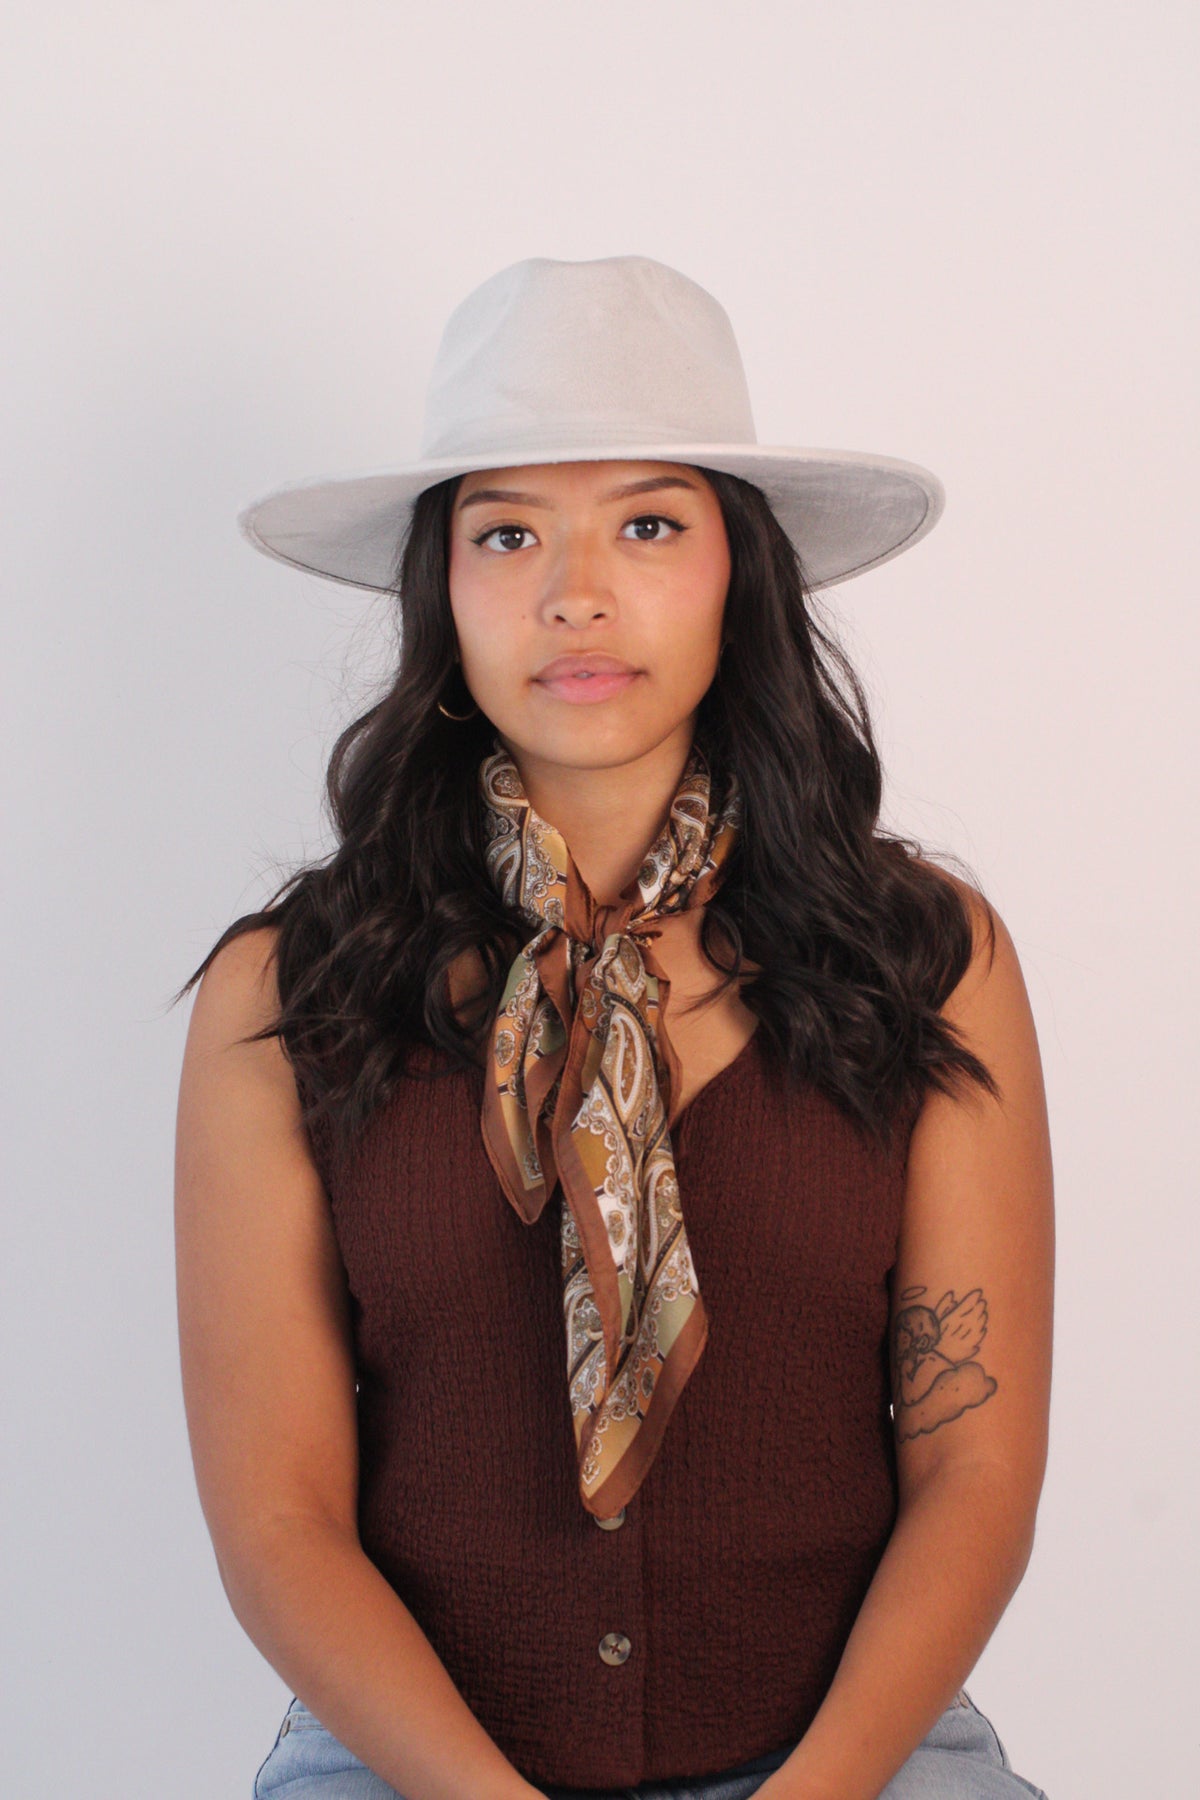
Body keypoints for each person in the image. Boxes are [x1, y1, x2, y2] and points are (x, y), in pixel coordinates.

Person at [172, 256, 1054, 1800]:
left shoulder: (927, 958)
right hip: (412, 1766)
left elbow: (974, 1472)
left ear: (740, 574)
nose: (573, 592)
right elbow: (275, 1520)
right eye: (506, 533)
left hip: (854, 1759)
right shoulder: (289, 993)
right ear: (442, 591)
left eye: (648, 525)